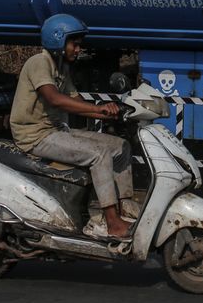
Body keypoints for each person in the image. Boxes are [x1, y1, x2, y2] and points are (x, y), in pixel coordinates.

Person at [10, 13, 138, 239]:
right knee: (98, 155)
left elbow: (74, 99)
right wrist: (98, 110)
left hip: (56, 131)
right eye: (74, 44)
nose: (78, 49)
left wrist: (108, 110)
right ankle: (112, 223)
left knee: (121, 147)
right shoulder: (39, 62)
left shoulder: (60, 68)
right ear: (58, 39)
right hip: (35, 136)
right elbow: (55, 99)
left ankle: (125, 210)